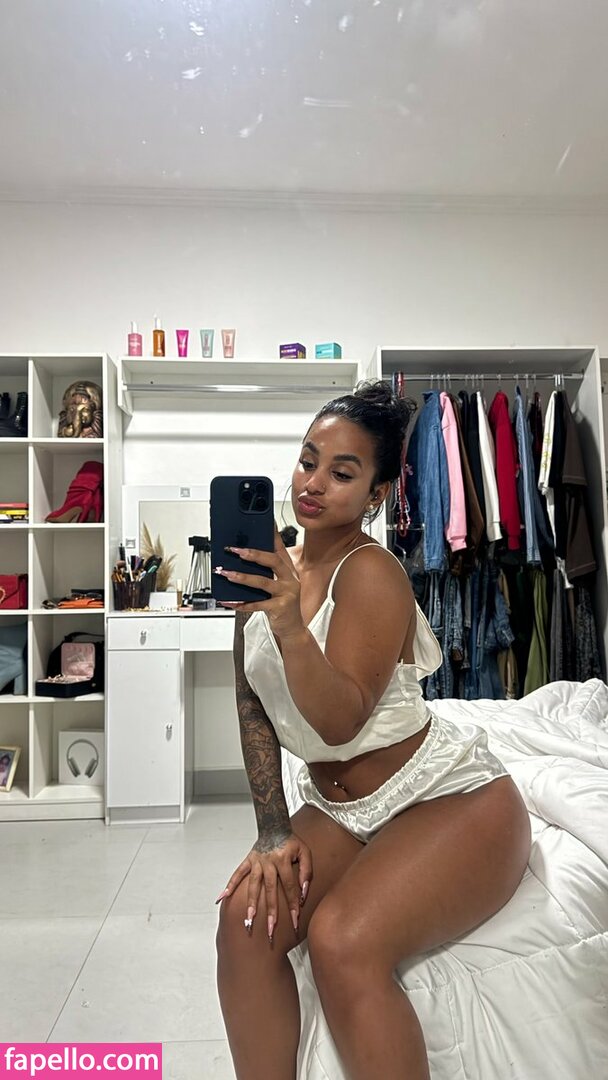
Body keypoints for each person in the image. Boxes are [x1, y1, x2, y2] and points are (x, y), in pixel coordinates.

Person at [215, 381, 531, 1080]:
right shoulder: (272, 571)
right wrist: (272, 832)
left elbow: (340, 719)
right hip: (343, 809)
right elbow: (250, 703)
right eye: (308, 461)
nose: (313, 483)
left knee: (342, 942)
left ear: (376, 494)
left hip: (448, 798)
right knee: (246, 922)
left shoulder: (372, 574)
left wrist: (291, 623)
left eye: (342, 473)